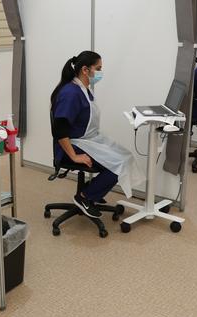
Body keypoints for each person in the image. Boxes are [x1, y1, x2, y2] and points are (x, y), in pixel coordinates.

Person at [50, 51, 144, 218]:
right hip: (71, 145)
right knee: (118, 164)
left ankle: (92, 191)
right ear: (85, 70)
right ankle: (85, 197)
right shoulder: (71, 93)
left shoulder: (82, 89)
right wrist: (73, 156)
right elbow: (59, 130)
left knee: (125, 156)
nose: (100, 73)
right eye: (98, 68)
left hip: (86, 140)